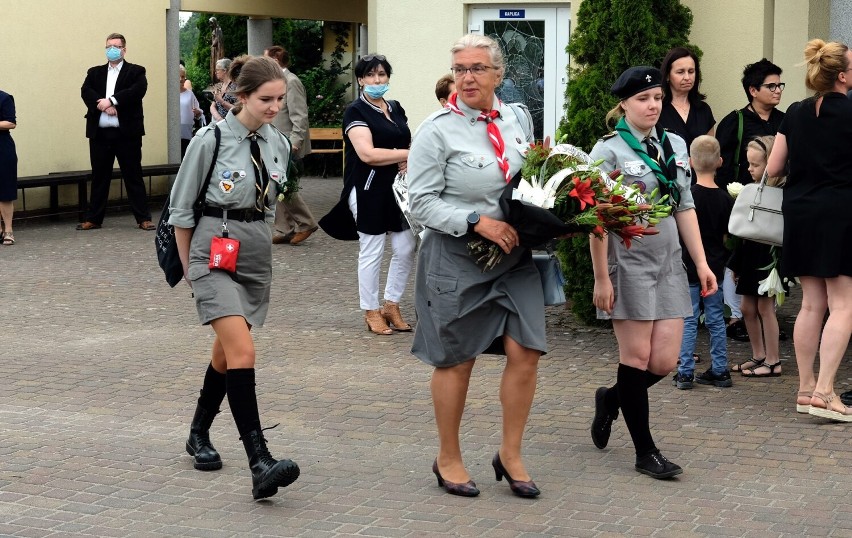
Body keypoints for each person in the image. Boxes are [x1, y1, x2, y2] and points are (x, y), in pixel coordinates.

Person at [407, 34, 541, 498]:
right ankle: (448, 456)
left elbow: (534, 178)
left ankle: (511, 453)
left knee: (527, 351)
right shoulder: (436, 129)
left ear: (498, 75)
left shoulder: (517, 119)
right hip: (457, 257)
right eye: (460, 68)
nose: (467, 77)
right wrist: (473, 221)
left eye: (478, 68)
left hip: (515, 256)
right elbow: (419, 203)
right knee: (457, 360)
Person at [170, 55, 300, 498]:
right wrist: (191, 268)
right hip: (212, 250)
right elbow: (181, 210)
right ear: (240, 97)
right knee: (243, 350)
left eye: (280, 99)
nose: (274, 107)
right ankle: (259, 461)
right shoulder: (210, 139)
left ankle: (197, 433)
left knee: (226, 354)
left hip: (253, 254)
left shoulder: (278, 143)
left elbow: (269, 204)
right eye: (266, 99)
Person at [588, 66, 717, 479]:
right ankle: (646, 452)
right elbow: (597, 219)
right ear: (623, 104)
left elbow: (684, 206)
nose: (652, 105)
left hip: (668, 264)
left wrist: (701, 263)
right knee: (636, 357)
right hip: (627, 264)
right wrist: (601, 278)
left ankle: (610, 400)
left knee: (662, 363)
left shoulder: (675, 143)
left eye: (657, 98)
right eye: (643, 99)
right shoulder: (607, 151)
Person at [766, 39, 852, 421]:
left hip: (799, 213)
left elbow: (771, 169)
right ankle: (825, 392)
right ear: (843, 75)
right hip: (841, 213)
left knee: (813, 304)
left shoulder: (795, 112)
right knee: (844, 304)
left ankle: (805, 389)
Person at [319, 54, 415, 336]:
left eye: (382, 75)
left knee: (406, 247)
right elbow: (368, 154)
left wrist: (407, 159)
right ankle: (370, 309)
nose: (377, 80)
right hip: (367, 188)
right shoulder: (356, 111)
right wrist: (409, 154)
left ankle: (391, 304)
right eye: (371, 75)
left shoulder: (395, 107)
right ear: (360, 80)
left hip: (398, 188)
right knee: (372, 249)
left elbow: (403, 140)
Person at [672, 136, 733, 390]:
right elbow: (728, 235)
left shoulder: (687, 199)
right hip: (715, 267)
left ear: (689, 162)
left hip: (688, 266)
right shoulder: (725, 199)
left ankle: (685, 371)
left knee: (688, 318)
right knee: (716, 319)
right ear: (720, 161)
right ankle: (720, 369)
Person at [78, 33, 153, 231]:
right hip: (100, 134)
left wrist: (112, 101)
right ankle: (94, 218)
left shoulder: (136, 71)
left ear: (124, 50)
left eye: (116, 46)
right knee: (100, 176)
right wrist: (102, 105)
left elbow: (137, 91)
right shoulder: (94, 72)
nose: (112, 49)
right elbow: (86, 91)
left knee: (133, 175)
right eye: (109, 46)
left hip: (126, 134)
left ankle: (143, 218)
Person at [728, 136, 785, 378]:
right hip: (750, 252)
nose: (749, 169)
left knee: (765, 307)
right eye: (748, 164)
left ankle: (773, 360)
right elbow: (743, 231)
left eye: (755, 165)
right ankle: (758, 354)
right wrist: (736, 263)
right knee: (746, 307)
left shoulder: (781, 190)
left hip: (769, 254)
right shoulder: (752, 190)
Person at [264, 45, 318, 246]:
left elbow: (300, 116)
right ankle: (285, 228)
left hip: (287, 144)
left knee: (284, 185)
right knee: (277, 184)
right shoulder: (277, 83)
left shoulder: (292, 82)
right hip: (276, 142)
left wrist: (295, 144)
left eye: (266, 59)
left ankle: (306, 223)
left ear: (276, 61)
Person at [715, 59, 785, 187]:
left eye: (779, 85)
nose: (778, 91)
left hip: (779, 197)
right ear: (753, 91)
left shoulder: (786, 120)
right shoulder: (734, 122)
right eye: (771, 86)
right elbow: (723, 168)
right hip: (743, 197)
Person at [658, 47, 716, 152]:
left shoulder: (703, 109)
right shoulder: (657, 109)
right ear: (667, 76)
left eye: (691, 71)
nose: (687, 77)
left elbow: (711, 152)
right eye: (680, 72)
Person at [0, 88, 16, 245]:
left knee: (5, 191)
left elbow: (11, 122)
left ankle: (8, 230)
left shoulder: (4, 98)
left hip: (2, 148)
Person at [179, 65, 204, 159]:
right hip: (173, 132)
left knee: (184, 156)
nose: (181, 79)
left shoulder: (189, 94)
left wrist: (197, 112)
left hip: (186, 132)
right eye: (179, 76)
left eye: (183, 77)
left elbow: (199, 113)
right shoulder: (169, 93)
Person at [210, 58, 237, 122]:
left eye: (217, 70)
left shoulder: (235, 86)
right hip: (218, 123)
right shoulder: (219, 86)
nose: (216, 72)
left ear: (225, 70)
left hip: (231, 123)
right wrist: (219, 119)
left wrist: (222, 101)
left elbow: (238, 109)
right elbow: (212, 106)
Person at [209, 17, 224, 82]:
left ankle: (218, 81)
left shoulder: (218, 30)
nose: (210, 25)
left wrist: (213, 44)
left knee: (218, 64)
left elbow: (218, 39)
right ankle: (214, 81)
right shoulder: (214, 30)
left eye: (211, 23)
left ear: (214, 22)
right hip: (214, 51)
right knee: (214, 65)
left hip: (218, 51)